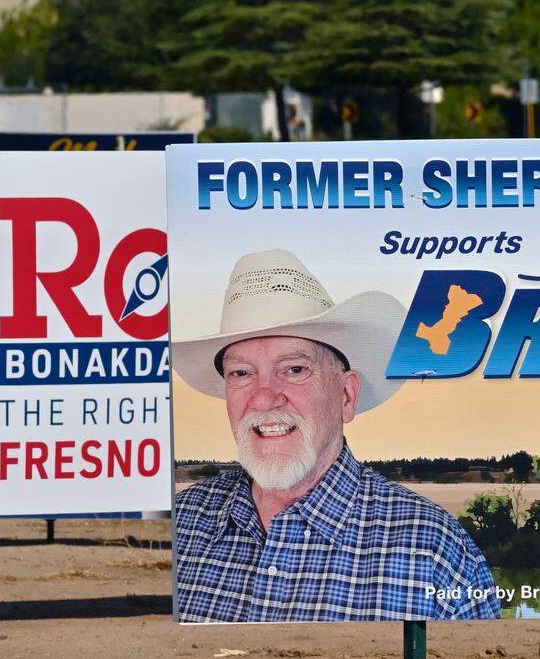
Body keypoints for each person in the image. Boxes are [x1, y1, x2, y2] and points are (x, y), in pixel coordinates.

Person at [172, 249, 499, 623]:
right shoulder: (181, 524)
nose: (263, 398)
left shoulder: (437, 552)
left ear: (346, 396)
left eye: (294, 369)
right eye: (241, 374)